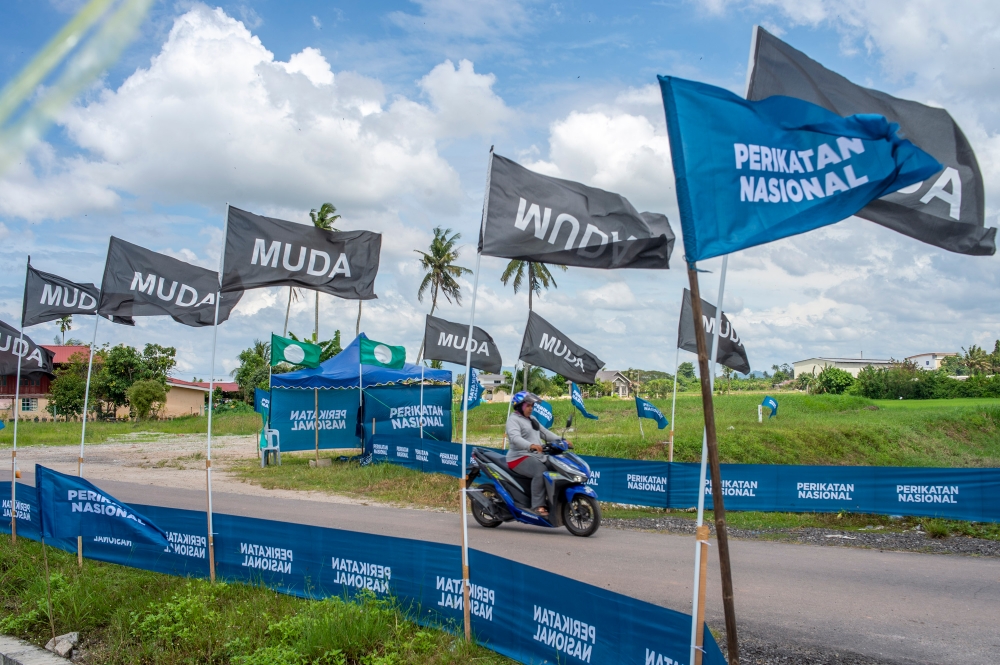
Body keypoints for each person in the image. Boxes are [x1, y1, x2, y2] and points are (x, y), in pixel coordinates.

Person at [505, 391, 563, 516]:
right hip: (519, 457)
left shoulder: (532, 419)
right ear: (520, 406)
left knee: (556, 466)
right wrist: (530, 446)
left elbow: (545, 433)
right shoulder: (513, 420)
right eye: (528, 406)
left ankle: (554, 500)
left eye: (532, 406)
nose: (531, 408)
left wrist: (561, 440)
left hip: (536, 455)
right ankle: (537, 505)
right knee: (540, 471)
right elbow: (515, 438)